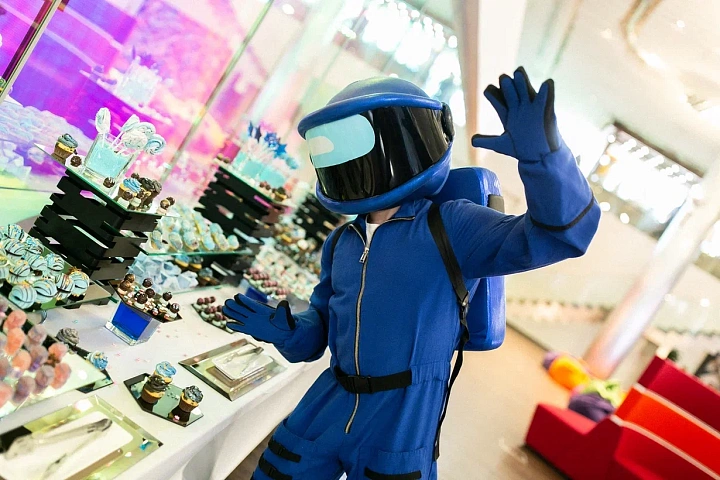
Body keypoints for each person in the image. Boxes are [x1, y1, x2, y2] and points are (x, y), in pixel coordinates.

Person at [224, 68, 600, 480]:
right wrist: (289, 330)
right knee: (279, 471)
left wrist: (545, 159)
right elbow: (319, 332)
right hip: (331, 396)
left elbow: (561, 236)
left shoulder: (451, 226)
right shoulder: (343, 242)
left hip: (402, 416)